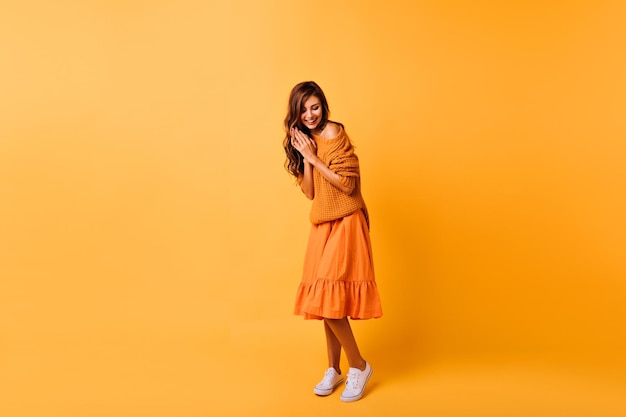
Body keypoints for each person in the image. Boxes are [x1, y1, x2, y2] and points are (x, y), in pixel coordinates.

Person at [283, 81, 383, 402]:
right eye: (304, 109)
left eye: (315, 107)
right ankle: (334, 368)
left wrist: (314, 157)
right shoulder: (302, 140)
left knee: (328, 296)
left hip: (347, 221)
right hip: (322, 226)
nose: (310, 114)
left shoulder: (334, 134)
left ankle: (359, 365)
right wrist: (306, 157)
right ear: (296, 114)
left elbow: (347, 184)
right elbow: (311, 193)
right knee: (326, 299)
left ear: (323, 106)